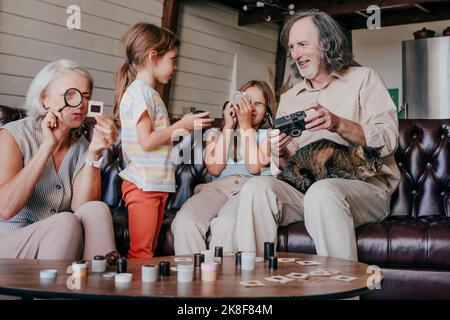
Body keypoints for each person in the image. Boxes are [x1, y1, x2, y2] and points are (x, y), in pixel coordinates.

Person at [234, 10, 401, 261]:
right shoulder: (291, 97)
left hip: (365, 187)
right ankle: (255, 288)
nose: (296, 54)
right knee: (256, 188)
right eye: (292, 47)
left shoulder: (363, 79)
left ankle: (341, 292)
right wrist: (279, 150)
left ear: (326, 43)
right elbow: (289, 164)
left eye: (303, 44)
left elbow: (389, 138)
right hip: (305, 189)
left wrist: (337, 124)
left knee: (323, 192)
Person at [0, 59, 117, 260]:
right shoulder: (13, 135)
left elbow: (83, 207)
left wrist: (94, 153)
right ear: (44, 99)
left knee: (96, 209)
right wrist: (46, 148)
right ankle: (54, 292)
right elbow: (6, 208)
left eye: (86, 96)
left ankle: (100, 287)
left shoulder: (81, 146)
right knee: (65, 221)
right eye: (70, 95)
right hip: (11, 244)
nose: (80, 104)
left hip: (60, 243)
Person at [114, 23, 214, 259]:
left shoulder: (150, 94)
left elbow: (158, 139)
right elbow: (146, 141)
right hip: (143, 186)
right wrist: (181, 125)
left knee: (149, 251)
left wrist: (186, 130)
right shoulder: (139, 94)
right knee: (142, 253)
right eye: (172, 59)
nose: (175, 66)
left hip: (155, 184)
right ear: (153, 56)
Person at [171, 80, 275, 255]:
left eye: (258, 104)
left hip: (249, 190)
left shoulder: (269, 136)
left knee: (228, 223)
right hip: (217, 188)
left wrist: (245, 126)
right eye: (246, 101)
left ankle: (220, 280)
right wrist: (228, 126)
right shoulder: (217, 134)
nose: (251, 107)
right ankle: (193, 279)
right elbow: (215, 169)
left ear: (266, 114)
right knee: (185, 221)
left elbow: (254, 167)